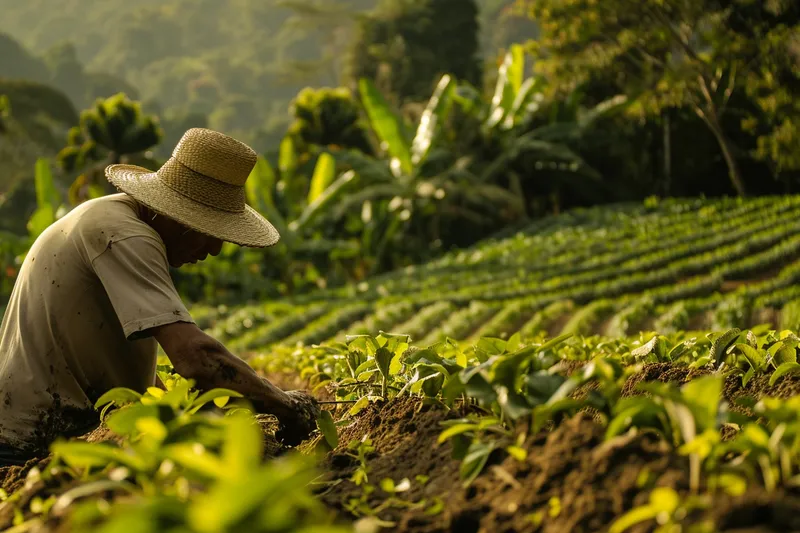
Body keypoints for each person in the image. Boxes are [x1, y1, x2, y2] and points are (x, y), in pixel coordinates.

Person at [0, 128, 320, 465]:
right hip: (25, 445)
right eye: (209, 232)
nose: (214, 249)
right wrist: (284, 404)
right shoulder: (125, 236)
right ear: (179, 217)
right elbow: (195, 356)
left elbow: (128, 369)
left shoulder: (111, 218)